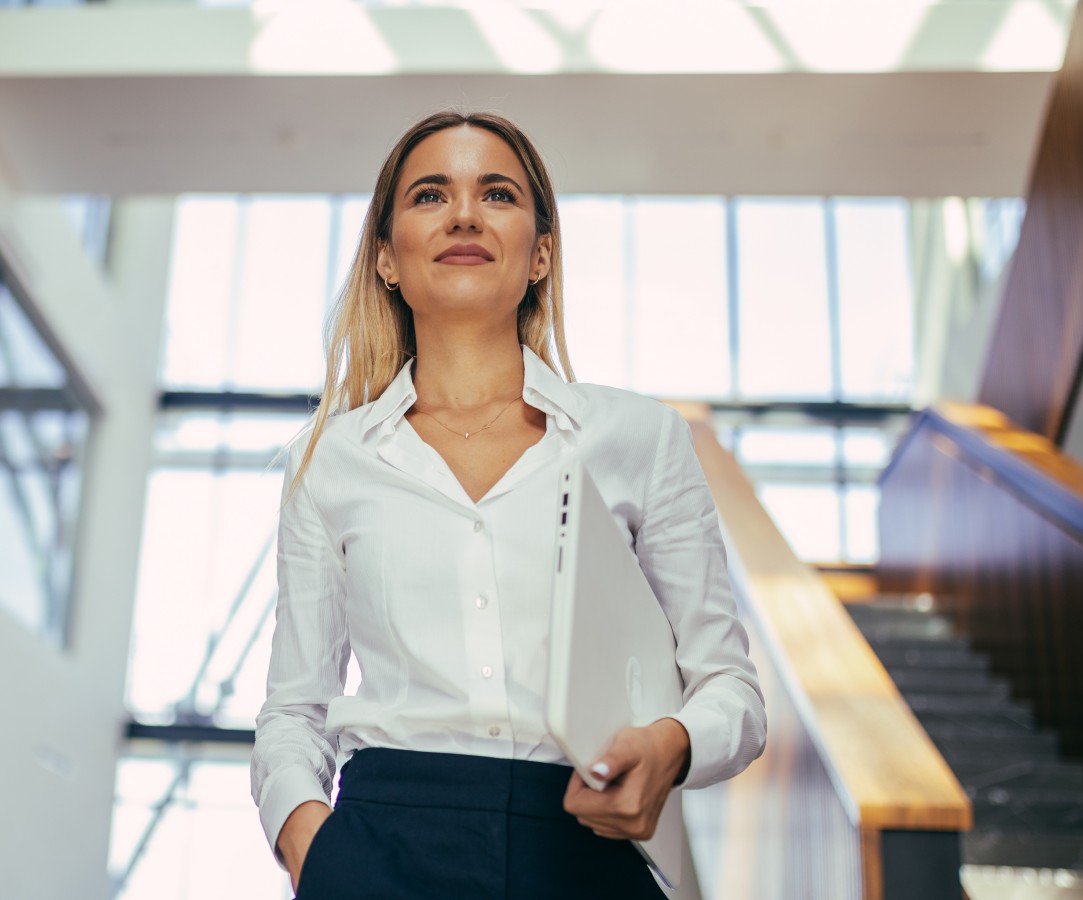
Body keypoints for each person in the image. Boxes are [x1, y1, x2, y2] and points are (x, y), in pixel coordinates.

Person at [250, 110, 766, 899]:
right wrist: (312, 848)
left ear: (541, 253)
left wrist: (672, 744)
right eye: (430, 195)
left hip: (580, 849)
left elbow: (730, 687)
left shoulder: (640, 438)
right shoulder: (329, 464)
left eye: (496, 194)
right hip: (381, 847)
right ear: (387, 258)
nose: (463, 213)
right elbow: (293, 711)